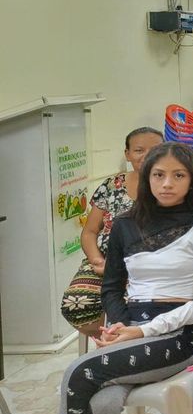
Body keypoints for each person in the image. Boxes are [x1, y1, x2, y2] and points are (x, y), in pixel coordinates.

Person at [53, 142, 193, 414]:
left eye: (178, 175)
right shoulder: (125, 224)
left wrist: (142, 331)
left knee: (78, 372)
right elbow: (111, 287)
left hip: (177, 335)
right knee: (102, 403)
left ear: (192, 181)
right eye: (158, 175)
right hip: (131, 327)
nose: (167, 183)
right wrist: (120, 327)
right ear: (147, 178)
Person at [61, 127, 164, 338]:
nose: (146, 155)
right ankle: (112, 338)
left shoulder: (171, 187)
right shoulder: (111, 185)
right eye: (139, 150)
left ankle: (125, 339)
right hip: (106, 263)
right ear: (127, 154)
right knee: (76, 304)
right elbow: (90, 232)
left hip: (152, 267)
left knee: (139, 308)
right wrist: (98, 261)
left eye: (154, 149)